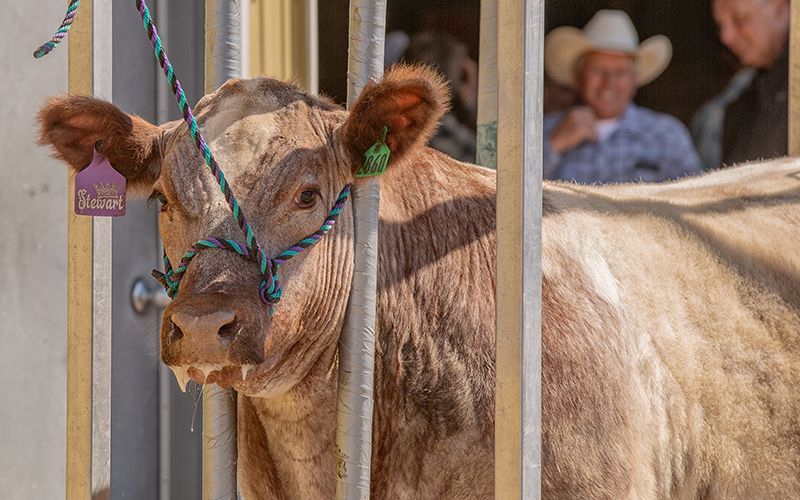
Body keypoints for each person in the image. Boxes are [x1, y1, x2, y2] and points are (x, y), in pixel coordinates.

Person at [543, 10, 702, 183]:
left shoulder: (667, 135)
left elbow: (696, 198)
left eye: (620, 72)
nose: (609, 82)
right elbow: (514, 194)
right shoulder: (545, 130)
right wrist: (554, 146)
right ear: (579, 76)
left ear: (635, 79)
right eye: (598, 70)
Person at [698, 0, 790, 166]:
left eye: (739, 19)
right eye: (721, 25)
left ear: (779, 6)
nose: (726, 37)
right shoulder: (740, 97)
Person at [402, 31, 478, 163]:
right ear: (463, 77)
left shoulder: (407, 120)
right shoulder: (441, 131)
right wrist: (472, 107)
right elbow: (487, 162)